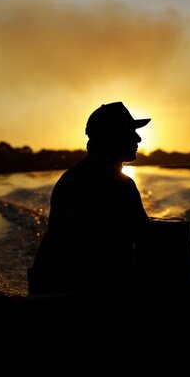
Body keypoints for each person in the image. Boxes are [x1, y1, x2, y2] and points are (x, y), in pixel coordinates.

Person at [29, 102, 151, 295]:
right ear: (112, 137)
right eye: (129, 131)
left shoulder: (72, 179)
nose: (138, 138)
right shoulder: (112, 185)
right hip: (93, 296)